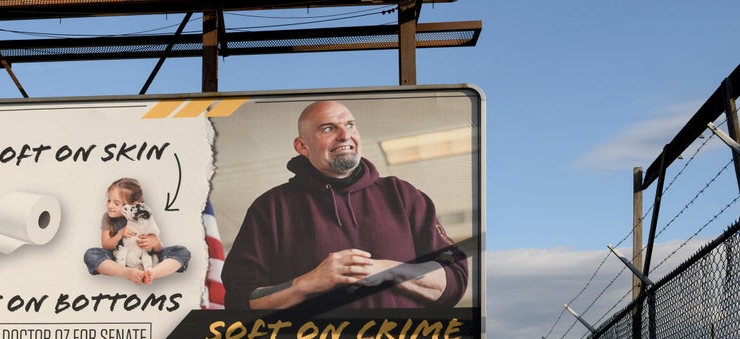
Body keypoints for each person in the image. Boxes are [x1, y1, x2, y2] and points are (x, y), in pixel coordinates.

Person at [222, 100, 468, 311]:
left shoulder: (403, 195)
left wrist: (388, 271)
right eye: (328, 128)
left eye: (350, 125)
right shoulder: (271, 208)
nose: (344, 135)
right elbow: (239, 299)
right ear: (302, 146)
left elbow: (454, 278)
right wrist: (308, 283)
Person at [84, 177, 190, 285]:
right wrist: (120, 234)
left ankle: (153, 273)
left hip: (148, 258)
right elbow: (106, 245)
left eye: (116, 203)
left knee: (181, 251)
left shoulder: (143, 217)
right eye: (109, 200)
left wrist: (155, 241)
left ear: (134, 205)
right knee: (91, 254)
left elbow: (157, 250)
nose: (110, 206)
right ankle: (127, 272)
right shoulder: (107, 218)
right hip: (119, 259)